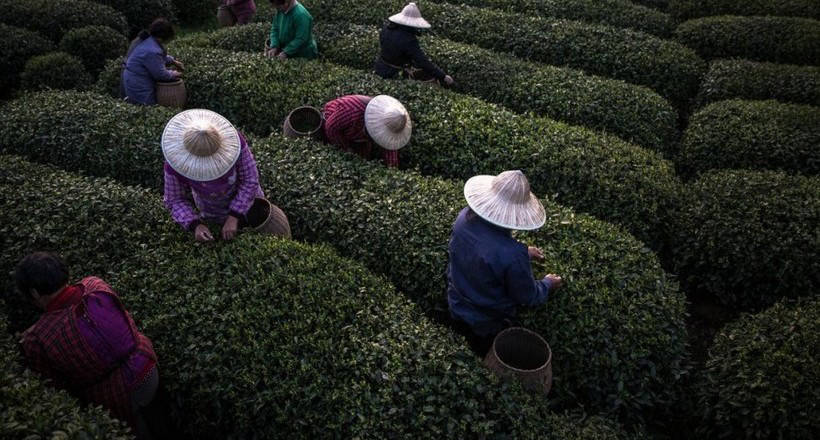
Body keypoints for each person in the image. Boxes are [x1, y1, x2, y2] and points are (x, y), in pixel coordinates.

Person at [15, 252, 170, 439]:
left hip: (118, 396)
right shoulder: (96, 286)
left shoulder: (37, 338)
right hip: (148, 364)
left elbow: (57, 387)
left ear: (34, 293)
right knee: (163, 420)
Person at [447, 170, 564, 357]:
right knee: (482, 353)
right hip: (486, 323)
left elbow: (483, 250)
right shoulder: (512, 255)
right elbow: (527, 296)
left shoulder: (463, 218)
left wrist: (524, 251)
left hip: (455, 303)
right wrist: (548, 284)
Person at [162, 109, 266, 242]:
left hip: (252, 205)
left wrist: (235, 215)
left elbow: (250, 180)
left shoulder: (236, 143)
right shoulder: (175, 165)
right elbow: (174, 199)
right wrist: (195, 225)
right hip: (211, 212)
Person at [374, 3, 454, 86]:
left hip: (380, 66)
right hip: (393, 74)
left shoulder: (387, 28)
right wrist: (442, 76)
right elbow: (422, 61)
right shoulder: (408, 39)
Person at [321, 94, 411, 168]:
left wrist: (392, 170)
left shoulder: (390, 123)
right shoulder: (352, 111)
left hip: (358, 134)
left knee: (363, 158)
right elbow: (331, 128)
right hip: (336, 126)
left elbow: (390, 150)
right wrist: (346, 148)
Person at [123, 18, 183, 105]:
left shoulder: (150, 41)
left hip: (134, 78)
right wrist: (174, 73)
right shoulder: (152, 51)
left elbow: (161, 57)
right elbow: (161, 74)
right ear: (163, 37)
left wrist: (173, 61)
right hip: (138, 84)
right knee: (146, 107)